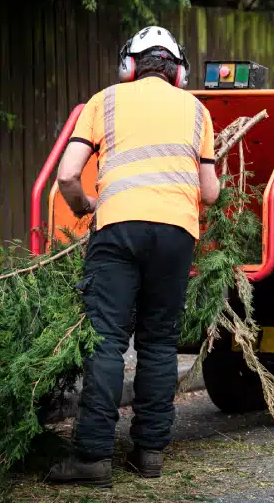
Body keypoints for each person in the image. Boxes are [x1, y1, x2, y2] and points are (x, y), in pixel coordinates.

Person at [47, 26, 220, 487]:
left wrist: (86, 207)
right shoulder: (198, 111)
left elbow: (67, 176)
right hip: (176, 234)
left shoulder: (103, 101)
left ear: (129, 66)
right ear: (178, 71)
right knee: (159, 344)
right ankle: (149, 456)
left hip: (117, 229)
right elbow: (211, 192)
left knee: (106, 341)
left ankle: (92, 460)